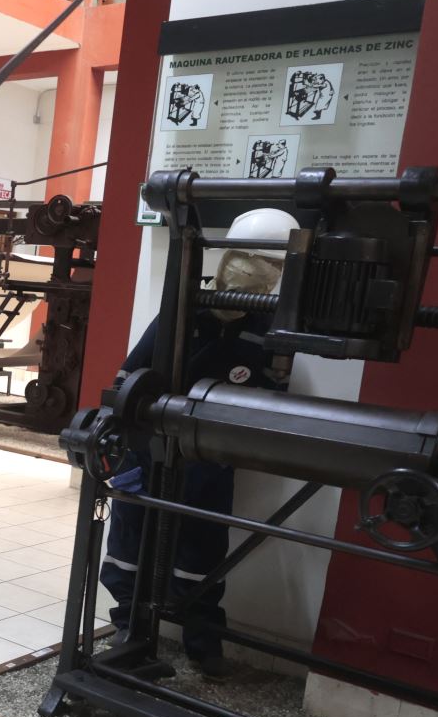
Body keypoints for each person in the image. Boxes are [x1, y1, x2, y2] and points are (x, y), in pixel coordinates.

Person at [100, 209, 294, 677]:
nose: (248, 273)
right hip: (150, 450)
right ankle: (128, 629)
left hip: (210, 460)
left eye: (262, 268)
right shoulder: (180, 314)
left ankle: (203, 645)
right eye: (241, 262)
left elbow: (272, 399)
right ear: (223, 261)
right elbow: (128, 380)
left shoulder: (269, 334)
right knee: (129, 543)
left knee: (202, 553)